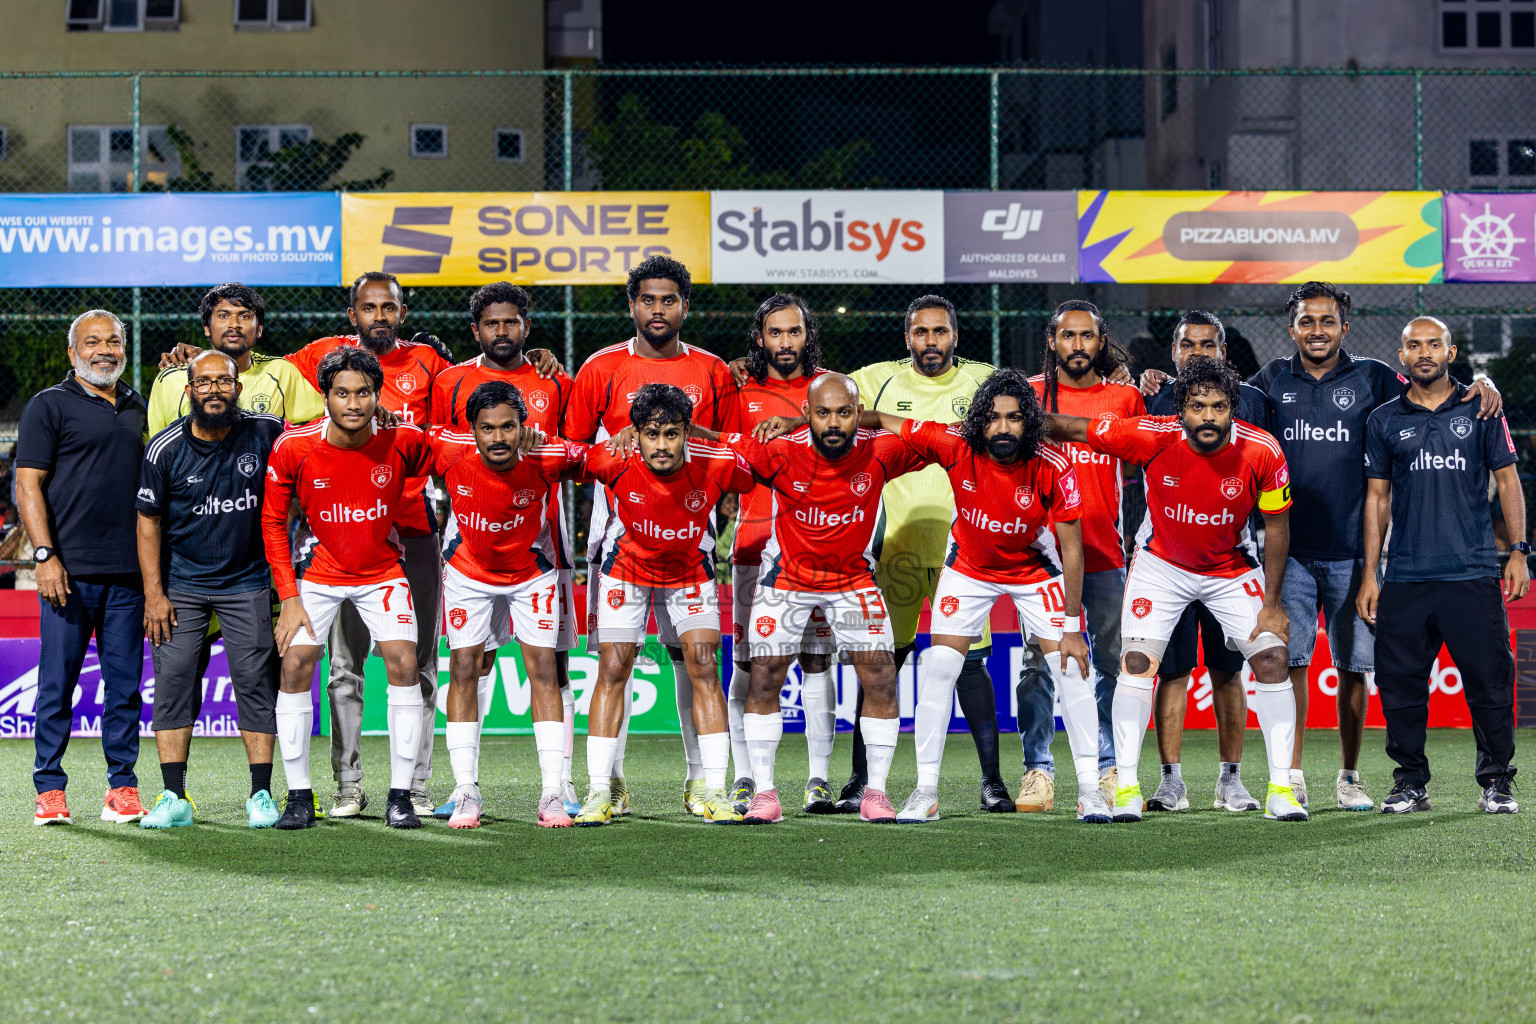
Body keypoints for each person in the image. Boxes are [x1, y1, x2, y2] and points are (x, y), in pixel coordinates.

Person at [1242, 282, 1498, 810]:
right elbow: (1218, 398)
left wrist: (1483, 381)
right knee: (1292, 663)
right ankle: (1291, 775)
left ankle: (1350, 776)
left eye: (1327, 321)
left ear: (1345, 327)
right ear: (1292, 328)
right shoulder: (1271, 380)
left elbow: (1434, 387)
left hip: (1356, 554)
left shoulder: (1376, 377)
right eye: (1307, 321)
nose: (1317, 330)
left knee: (1354, 668)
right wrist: (1160, 381)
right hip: (1289, 551)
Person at [1044, 357, 1308, 823]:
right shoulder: (1151, 436)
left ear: (1233, 408)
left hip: (1231, 567)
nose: (1208, 417)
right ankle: (1128, 789)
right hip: (1162, 565)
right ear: (1180, 408)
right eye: (1198, 406)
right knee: (1136, 664)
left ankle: (1281, 789)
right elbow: (1075, 428)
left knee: (1271, 659)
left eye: (1219, 407)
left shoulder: (1262, 451)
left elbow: (1278, 527)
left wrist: (1272, 604)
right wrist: (1011, 421)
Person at [845, 371, 1102, 823]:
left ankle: (1090, 791)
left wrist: (1072, 627)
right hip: (969, 569)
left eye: (1014, 418)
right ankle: (925, 792)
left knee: (1072, 671)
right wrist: (803, 422)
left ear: (1029, 422)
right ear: (978, 421)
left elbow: (1073, 549)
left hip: (1033, 570)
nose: (1003, 428)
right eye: (993, 418)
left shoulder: (1052, 464)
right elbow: (884, 419)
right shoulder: (954, 445)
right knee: (940, 669)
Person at [700, 373, 927, 824]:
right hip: (787, 579)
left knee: (881, 677)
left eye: (845, 412)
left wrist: (880, 418)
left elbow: (941, 441)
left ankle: (876, 794)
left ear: (859, 414)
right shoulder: (780, 451)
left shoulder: (881, 451)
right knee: (764, 676)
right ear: (807, 414)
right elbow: (715, 441)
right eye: (823, 413)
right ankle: (765, 794)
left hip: (853, 581)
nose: (834, 423)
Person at [557, 255, 737, 818]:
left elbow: (733, 451)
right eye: (648, 300)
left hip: (691, 545)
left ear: (686, 306)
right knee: (615, 665)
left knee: (696, 662)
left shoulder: (713, 371)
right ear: (632, 305)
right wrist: (611, 445)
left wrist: (692, 435)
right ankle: (606, 785)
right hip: (620, 543)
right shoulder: (601, 367)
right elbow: (572, 452)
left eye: (669, 300)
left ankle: (703, 783)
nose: (658, 310)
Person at [282, 272, 451, 819]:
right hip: (341, 536)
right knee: (343, 666)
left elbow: (466, 413)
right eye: (369, 307)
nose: (380, 316)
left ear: (403, 312)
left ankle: (414, 785)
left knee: (418, 661)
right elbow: (261, 376)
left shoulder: (429, 361)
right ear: (352, 314)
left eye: (389, 307)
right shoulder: (322, 355)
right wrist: (200, 356)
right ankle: (347, 783)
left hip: (414, 530)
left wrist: (539, 361)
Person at [837, 294, 1008, 815]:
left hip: (964, 554)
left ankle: (993, 783)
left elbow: (1037, 400)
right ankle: (860, 782)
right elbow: (819, 395)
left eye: (939, 331)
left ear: (955, 335)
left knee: (970, 666)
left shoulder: (984, 380)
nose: (930, 341)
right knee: (880, 668)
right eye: (920, 332)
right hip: (897, 551)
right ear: (907, 336)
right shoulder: (876, 379)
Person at [260, 346, 435, 831]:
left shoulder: (403, 440)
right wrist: (288, 596)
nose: (353, 403)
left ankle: (400, 797)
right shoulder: (294, 446)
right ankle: (299, 796)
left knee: (405, 663)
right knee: (295, 664)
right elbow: (272, 521)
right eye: (342, 393)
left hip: (381, 570)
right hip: (318, 573)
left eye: (363, 393)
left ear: (378, 396)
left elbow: (456, 454)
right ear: (325, 396)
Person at [1358, 316, 1527, 815]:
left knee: (1490, 685)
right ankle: (1410, 782)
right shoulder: (1383, 419)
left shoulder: (1482, 408)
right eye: (1414, 345)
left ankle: (1497, 782)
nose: (1424, 352)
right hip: (1405, 577)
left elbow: (1508, 481)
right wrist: (1370, 573)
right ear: (1402, 356)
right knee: (1400, 688)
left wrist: (1519, 551)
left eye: (1434, 344)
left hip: (1472, 572)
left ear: (1451, 353)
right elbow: (1377, 499)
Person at [430, 281, 581, 818]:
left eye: (510, 322)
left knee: (551, 662)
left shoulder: (553, 380)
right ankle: (464, 785)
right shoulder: (451, 382)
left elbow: (579, 449)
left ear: (526, 326)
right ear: (476, 330)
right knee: (470, 661)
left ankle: (560, 783)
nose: (501, 331)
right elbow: (431, 448)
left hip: (537, 541)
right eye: (491, 323)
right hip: (470, 542)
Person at [577, 384, 755, 825]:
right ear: (635, 434)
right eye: (651, 434)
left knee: (704, 667)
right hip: (626, 570)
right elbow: (563, 461)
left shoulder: (717, 462)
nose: (661, 445)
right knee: (612, 669)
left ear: (686, 433)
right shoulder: (612, 458)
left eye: (672, 434)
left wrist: (716, 436)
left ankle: (712, 789)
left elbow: (758, 470)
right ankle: (600, 791)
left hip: (689, 572)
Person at [135, 351, 285, 828]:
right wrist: (154, 595)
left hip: (248, 581)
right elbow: (147, 523)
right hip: (182, 584)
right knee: (174, 682)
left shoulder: (267, 433)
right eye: (204, 382)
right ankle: (173, 797)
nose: (214, 390)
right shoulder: (164, 448)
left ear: (238, 388)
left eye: (224, 381)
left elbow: (317, 444)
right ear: (189, 391)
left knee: (255, 682)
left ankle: (261, 795)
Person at [19, 309, 150, 826]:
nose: (104, 350)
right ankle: (49, 789)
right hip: (67, 574)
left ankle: (122, 788)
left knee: (125, 689)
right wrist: (44, 555)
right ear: (73, 352)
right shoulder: (48, 404)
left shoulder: (139, 406)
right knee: (56, 686)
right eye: (92, 341)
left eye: (113, 341)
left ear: (124, 349)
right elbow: (27, 484)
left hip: (130, 576)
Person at [1137, 311, 1271, 814]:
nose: (1197, 353)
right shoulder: (1153, 398)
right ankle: (1170, 783)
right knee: (1170, 672)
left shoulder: (1251, 400)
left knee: (1227, 670)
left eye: (1208, 345)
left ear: (1223, 353)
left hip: (1229, 560)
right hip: (1167, 560)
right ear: (1173, 352)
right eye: (1188, 345)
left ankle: (1230, 781)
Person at [1021, 300, 1144, 813]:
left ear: (1101, 341)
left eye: (1087, 336)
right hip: (1043, 559)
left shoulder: (1125, 398)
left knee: (1112, 663)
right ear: (1052, 341)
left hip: (1104, 551)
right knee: (1038, 664)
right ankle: (1038, 770)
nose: (1077, 345)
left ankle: (1109, 767)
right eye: (1067, 336)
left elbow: (1143, 467)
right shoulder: (1028, 395)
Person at [722, 293, 834, 816]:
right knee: (748, 663)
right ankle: (744, 777)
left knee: (816, 661)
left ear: (808, 335)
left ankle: (818, 780)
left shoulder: (831, 390)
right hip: (752, 547)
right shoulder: (738, 388)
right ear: (759, 337)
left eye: (794, 331)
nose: (785, 342)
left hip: (816, 551)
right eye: (775, 332)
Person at [147, 283, 324, 434]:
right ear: (207, 327)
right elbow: (156, 444)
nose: (234, 324)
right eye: (223, 316)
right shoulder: (171, 378)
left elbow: (319, 427)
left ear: (259, 329)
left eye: (244, 316)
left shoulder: (282, 373)